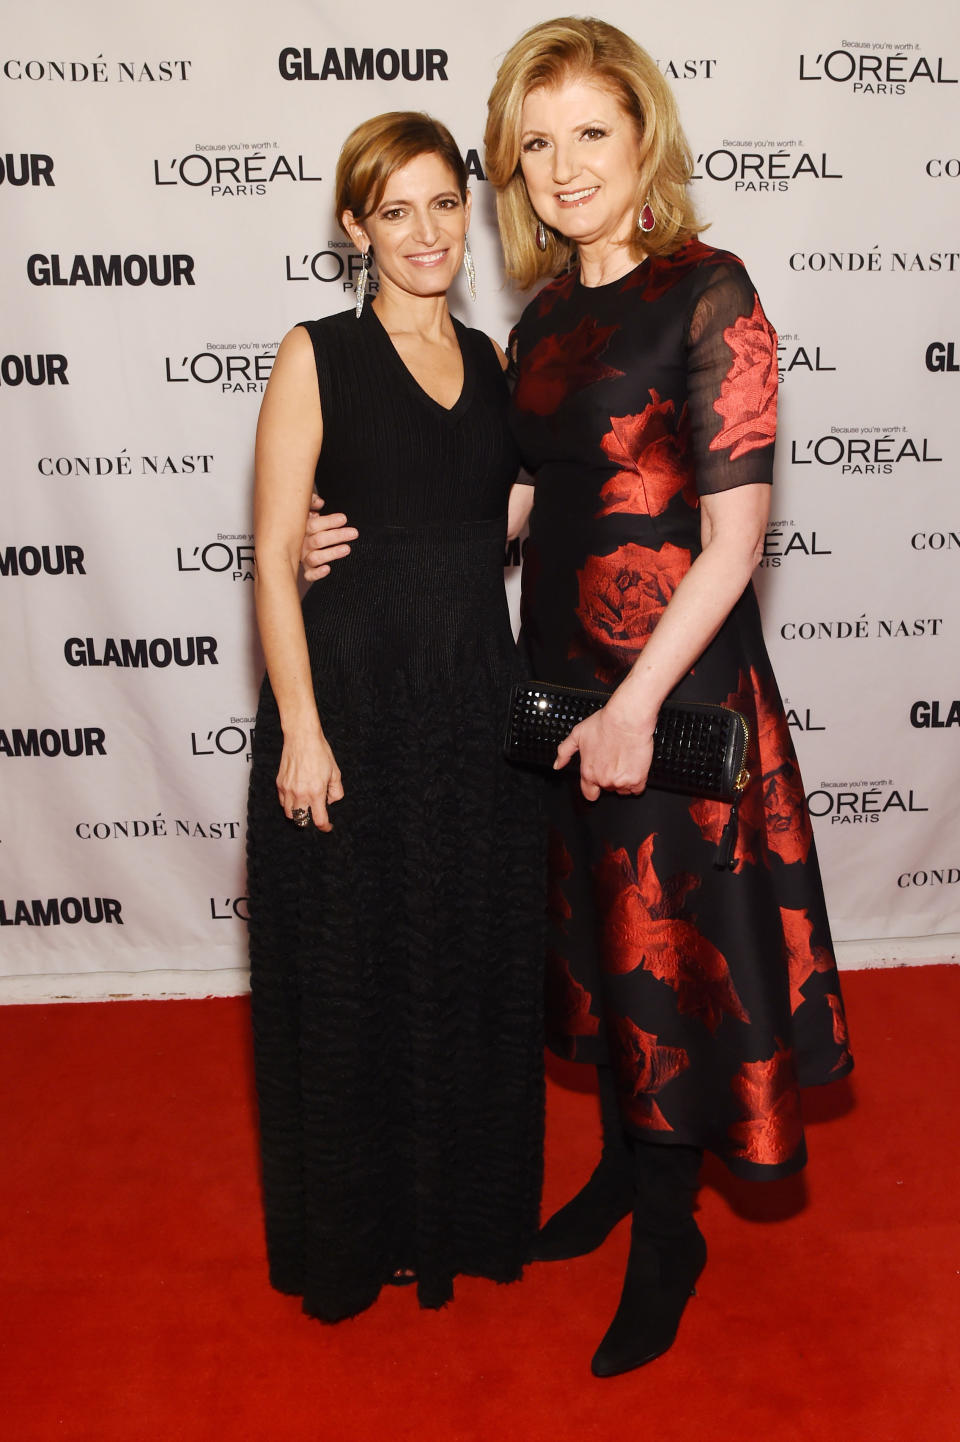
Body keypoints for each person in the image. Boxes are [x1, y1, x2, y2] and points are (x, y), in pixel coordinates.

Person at [303, 17, 853, 1377]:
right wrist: (354, 530)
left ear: (645, 137)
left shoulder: (710, 290)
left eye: (588, 133)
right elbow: (518, 504)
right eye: (534, 143)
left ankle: (671, 1238)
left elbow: (734, 543)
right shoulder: (539, 322)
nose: (560, 167)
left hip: (672, 697)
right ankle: (623, 1173)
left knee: (672, 959)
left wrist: (632, 704)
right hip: (555, 696)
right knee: (604, 955)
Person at [247, 110, 544, 1324]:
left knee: (471, 964)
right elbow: (271, 559)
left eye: (441, 203)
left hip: (475, 710)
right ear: (355, 228)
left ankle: (461, 1222)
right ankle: (357, 1238)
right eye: (395, 209)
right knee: (352, 971)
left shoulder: (500, 362)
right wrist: (304, 732)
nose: (424, 231)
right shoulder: (315, 352)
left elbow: (508, 521)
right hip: (354, 710)